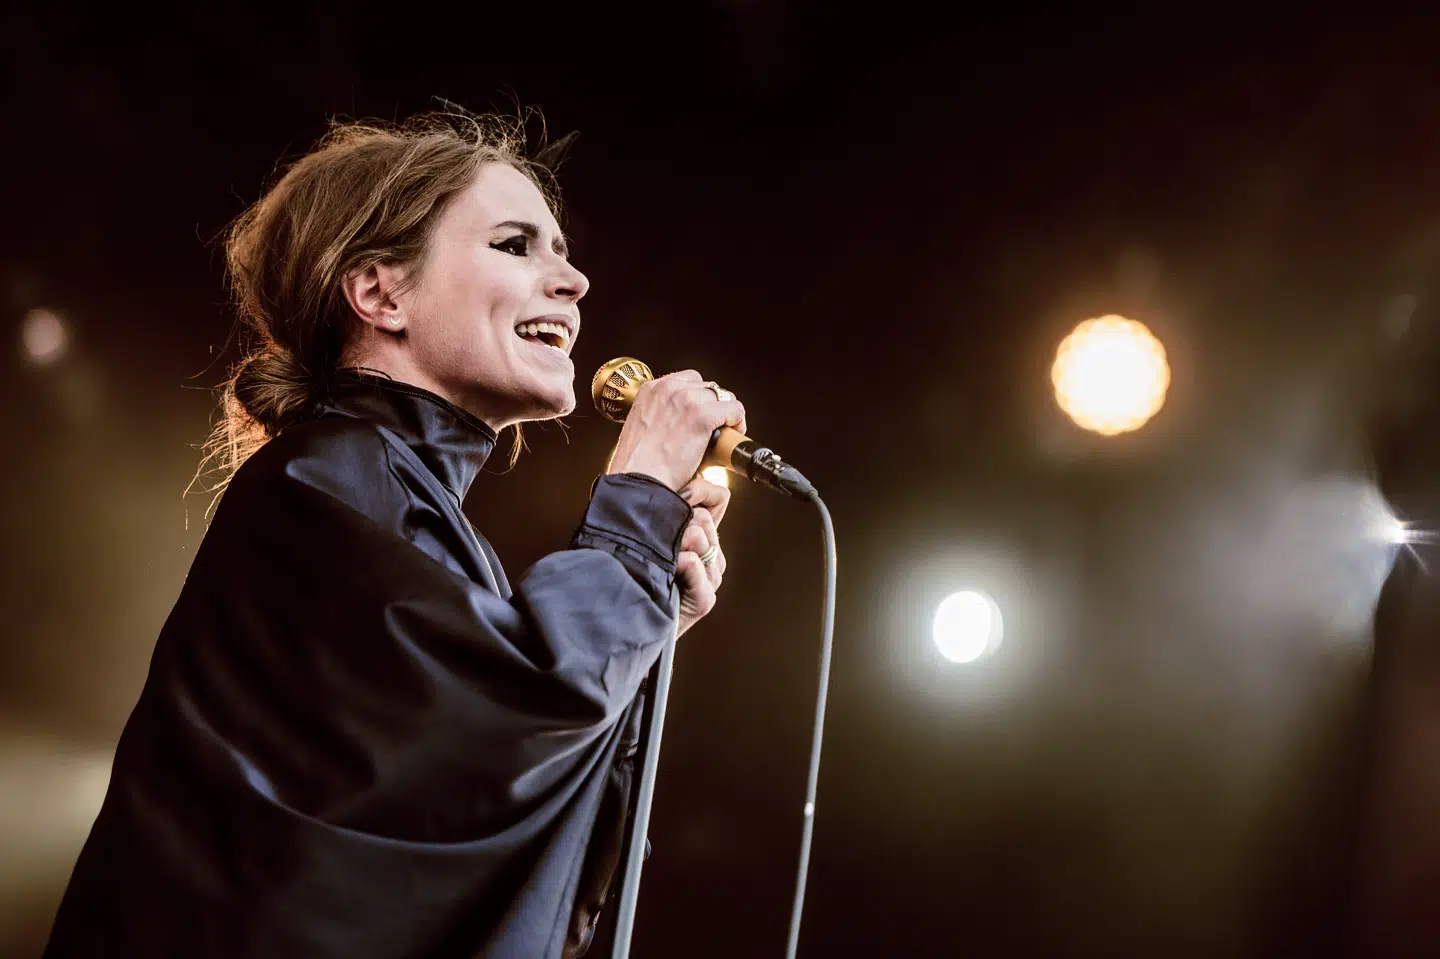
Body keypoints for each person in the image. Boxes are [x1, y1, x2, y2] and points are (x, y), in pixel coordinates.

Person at [42, 112, 746, 958]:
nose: (576, 281)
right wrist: (633, 509)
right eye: (517, 245)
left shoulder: (406, 508)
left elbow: (484, 807)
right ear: (380, 293)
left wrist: (647, 619)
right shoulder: (319, 483)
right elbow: (501, 720)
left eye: (561, 249)